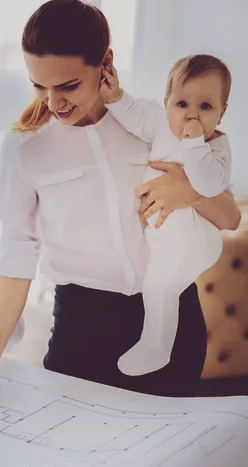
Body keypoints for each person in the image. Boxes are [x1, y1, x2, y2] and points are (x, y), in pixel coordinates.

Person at [0, 0, 240, 400]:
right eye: (40, 86)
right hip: (81, 331)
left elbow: (228, 218)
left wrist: (186, 192)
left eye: (68, 85)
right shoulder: (24, 148)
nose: (54, 103)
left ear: (106, 62)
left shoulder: (156, 121)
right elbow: (16, 254)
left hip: (172, 320)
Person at [100, 54, 231, 377]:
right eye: (182, 103)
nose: (191, 116)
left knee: (160, 287)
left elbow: (209, 184)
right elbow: (134, 115)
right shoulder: (159, 123)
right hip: (165, 236)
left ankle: (156, 348)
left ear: (222, 112)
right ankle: (154, 345)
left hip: (191, 237)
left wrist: (195, 144)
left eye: (205, 107)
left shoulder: (216, 145)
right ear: (167, 103)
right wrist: (116, 96)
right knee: (156, 283)